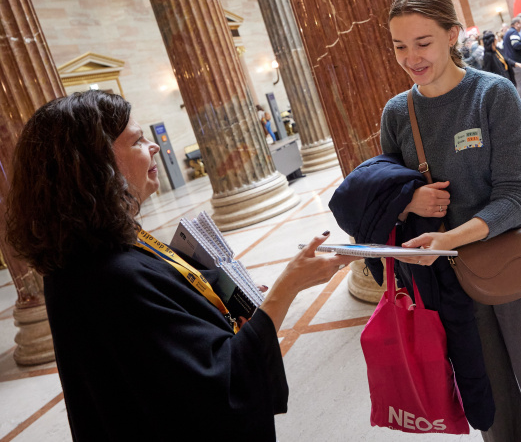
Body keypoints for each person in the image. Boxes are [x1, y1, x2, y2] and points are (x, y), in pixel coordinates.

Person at [4, 90, 355, 440]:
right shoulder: (107, 275)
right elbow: (218, 389)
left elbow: (163, 328)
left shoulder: (93, 249)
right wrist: (287, 287)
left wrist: (217, 301)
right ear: (96, 166)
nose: (153, 145)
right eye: (137, 140)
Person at [382, 0, 521, 442]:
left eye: (423, 42)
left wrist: (450, 240)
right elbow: (386, 194)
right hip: (452, 286)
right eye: (399, 46)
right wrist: (409, 202)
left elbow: (515, 198)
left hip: (515, 270)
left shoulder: (491, 94)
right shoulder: (398, 114)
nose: (411, 57)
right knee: (493, 408)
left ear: (452, 34)